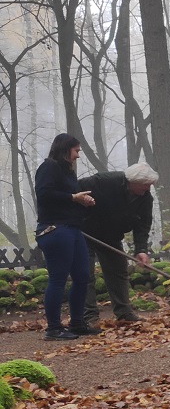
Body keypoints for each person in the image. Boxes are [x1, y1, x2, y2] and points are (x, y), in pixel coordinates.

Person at [34, 133, 99, 341]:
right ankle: (53, 328)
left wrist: (82, 201)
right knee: (58, 279)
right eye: (76, 151)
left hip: (72, 229)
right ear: (65, 149)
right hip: (55, 229)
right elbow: (44, 195)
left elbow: (66, 200)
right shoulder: (49, 167)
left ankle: (77, 323)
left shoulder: (68, 173)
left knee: (82, 276)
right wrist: (72, 197)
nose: (78, 155)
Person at [78, 163, 159, 325]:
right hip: (84, 232)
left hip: (111, 235)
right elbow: (74, 190)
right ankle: (89, 316)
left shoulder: (145, 198)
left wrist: (141, 249)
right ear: (133, 182)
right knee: (85, 273)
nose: (149, 189)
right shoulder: (103, 182)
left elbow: (143, 225)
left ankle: (124, 312)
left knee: (118, 270)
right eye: (146, 185)